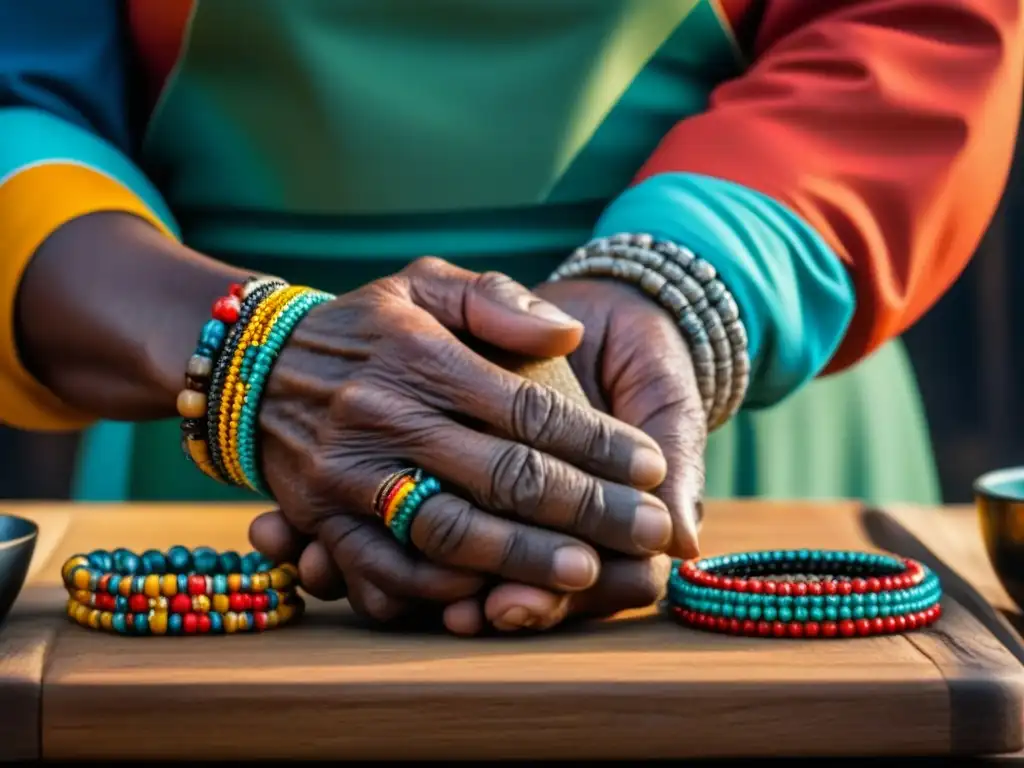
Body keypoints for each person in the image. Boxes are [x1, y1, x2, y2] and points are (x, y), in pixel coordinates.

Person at [1, 0, 1020, 635]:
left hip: (710, 414)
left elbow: (915, 30)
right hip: (204, 425)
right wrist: (247, 355)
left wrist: (679, 285)